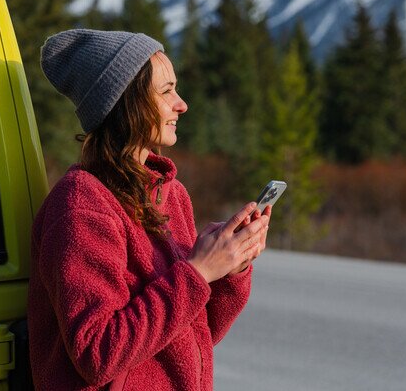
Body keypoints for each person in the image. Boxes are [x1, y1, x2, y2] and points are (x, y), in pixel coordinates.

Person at [28, 29, 270, 391]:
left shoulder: (172, 196)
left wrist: (231, 267)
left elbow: (193, 337)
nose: (181, 103)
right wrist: (198, 272)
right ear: (126, 102)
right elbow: (97, 353)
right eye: (166, 91)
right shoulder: (81, 205)